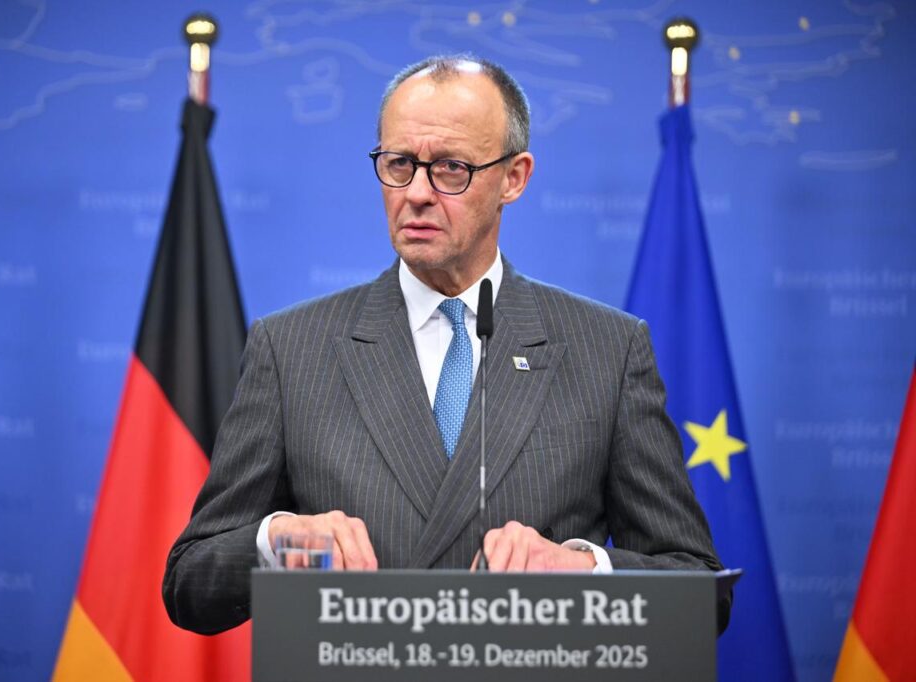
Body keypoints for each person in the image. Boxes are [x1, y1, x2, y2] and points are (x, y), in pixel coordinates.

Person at [163, 55, 727, 635]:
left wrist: (584, 569)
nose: (418, 194)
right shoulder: (291, 349)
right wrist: (275, 540)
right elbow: (189, 582)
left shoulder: (607, 351)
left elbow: (702, 594)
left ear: (514, 177)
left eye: (451, 169)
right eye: (399, 163)